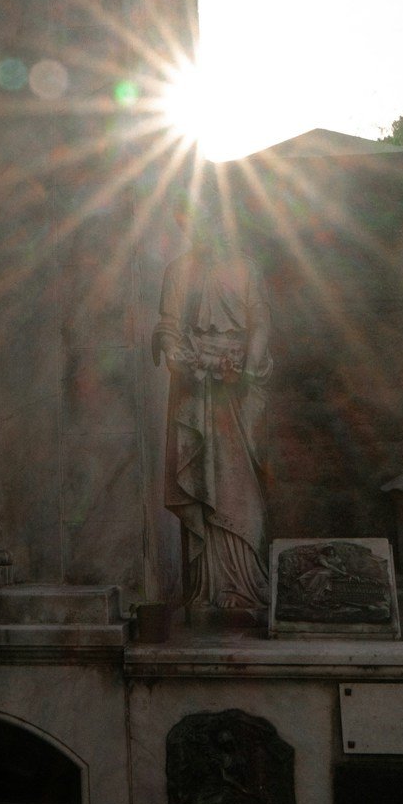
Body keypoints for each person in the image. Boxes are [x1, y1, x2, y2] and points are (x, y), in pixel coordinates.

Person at [153, 188, 273, 618]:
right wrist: (174, 354)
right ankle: (207, 591)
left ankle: (248, 585)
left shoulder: (248, 270)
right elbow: (167, 327)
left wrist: (246, 365)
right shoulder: (177, 272)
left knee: (242, 488)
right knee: (200, 483)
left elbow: (260, 323)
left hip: (238, 387)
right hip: (193, 385)